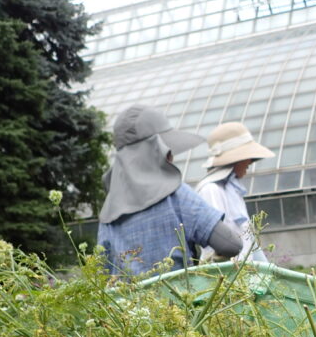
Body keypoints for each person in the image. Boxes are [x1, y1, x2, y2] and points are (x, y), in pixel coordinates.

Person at [96, 105, 242, 277]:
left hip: (128, 296)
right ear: (158, 153)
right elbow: (231, 245)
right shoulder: (175, 196)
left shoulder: (109, 214)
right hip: (180, 293)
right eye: (167, 150)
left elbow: (101, 275)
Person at [195, 122, 275, 263]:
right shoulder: (211, 190)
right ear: (237, 159)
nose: (249, 163)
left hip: (243, 269)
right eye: (248, 158)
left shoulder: (233, 190)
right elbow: (217, 244)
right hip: (228, 272)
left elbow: (248, 240)